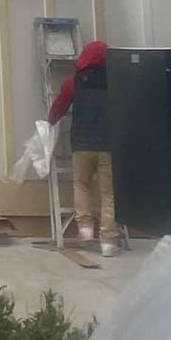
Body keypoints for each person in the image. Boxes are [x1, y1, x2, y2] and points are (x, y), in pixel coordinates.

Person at [47, 38, 120, 256]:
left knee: (82, 185)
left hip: (82, 144)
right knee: (109, 194)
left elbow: (59, 106)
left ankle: (86, 231)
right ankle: (108, 242)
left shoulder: (75, 82)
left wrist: (49, 122)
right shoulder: (117, 81)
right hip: (108, 145)